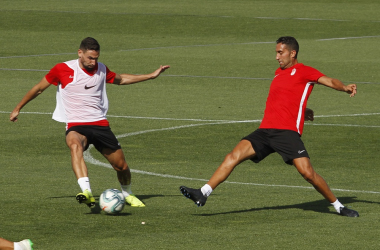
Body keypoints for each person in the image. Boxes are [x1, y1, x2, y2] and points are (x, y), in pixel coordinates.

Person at [180, 36, 359, 217]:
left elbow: (329, 81)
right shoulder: (278, 72)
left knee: (308, 174)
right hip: (265, 131)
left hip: (286, 133)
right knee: (233, 156)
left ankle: (339, 206)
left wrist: (344, 87)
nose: (277, 57)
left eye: (280, 52)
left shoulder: (304, 71)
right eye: (276, 53)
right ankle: (203, 193)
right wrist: (303, 110)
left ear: (293, 53)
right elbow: (284, 98)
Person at [10, 37, 170, 208]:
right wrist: (18, 107)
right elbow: (39, 88)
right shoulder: (62, 69)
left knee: (122, 167)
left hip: (99, 124)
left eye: (96, 58)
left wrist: (151, 76)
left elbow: (121, 79)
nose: (93, 62)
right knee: (75, 146)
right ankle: (86, 191)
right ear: (80, 53)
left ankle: (127, 193)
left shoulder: (101, 69)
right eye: (90, 58)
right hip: (76, 124)